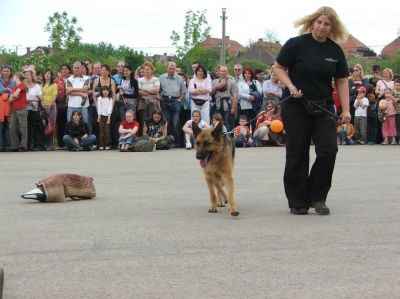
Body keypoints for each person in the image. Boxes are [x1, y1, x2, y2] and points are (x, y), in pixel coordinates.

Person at [273, 6, 351, 215]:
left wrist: (346, 109)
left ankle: (317, 197)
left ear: (332, 28)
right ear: (312, 22)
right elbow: (278, 67)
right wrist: (290, 86)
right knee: (297, 151)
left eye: (327, 24)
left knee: (328, 150)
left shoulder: (335, 51)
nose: (322, 27)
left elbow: (342, 81)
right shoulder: (296, 44)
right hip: (295, 103)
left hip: (323, 105)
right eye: (319, 22)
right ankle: (298, 201)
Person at [159, 62, 186, 144]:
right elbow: (158, 90)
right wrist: (160, 99)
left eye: (173, 68)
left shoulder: (179, 79)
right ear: (167, 68)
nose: (171, 70)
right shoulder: (161, 77)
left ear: (175, 69)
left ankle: (174, 141)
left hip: (175, 101)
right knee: (166, 122)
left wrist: (179, 100)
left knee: (175, 123)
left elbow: (183, 91)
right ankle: (166, 141)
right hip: (165, 100)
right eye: (170, 68)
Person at [210, 66, 238, 132]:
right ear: (219, 72)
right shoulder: (214, 82)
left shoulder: (232, 82)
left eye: (224, 71)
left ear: (227, 72)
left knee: (227, 121)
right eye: (221, 71)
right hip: (217, 103)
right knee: (216, 121)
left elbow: (234, 95)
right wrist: (217, 87)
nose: (223, 73)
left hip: (227, 104)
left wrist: (233, 107)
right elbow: (211, 94)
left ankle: (227, 137)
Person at [24, 67, 45, 151]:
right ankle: (28, 145)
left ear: (32, 76)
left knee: (36, 127)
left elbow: (40, 98)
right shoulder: (22, 86)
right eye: (25, 75)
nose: (26, 77)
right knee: (26, 128)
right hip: (24, 109)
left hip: (34, 109)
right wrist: (33, 98)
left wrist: (29, 100)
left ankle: (38, 146)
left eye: (28, 75)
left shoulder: (37, 86)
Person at [138, 61, 160, 134]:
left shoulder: (156, 79)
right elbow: (139, 92)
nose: (146, 71)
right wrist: (151, 91)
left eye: (148, 69)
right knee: (144, 119)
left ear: (152, 70)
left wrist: (144, 89)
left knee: (153, 118)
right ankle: (144, 136)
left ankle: (153, 135)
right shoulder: (140, 80)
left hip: (153, 102)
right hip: (143, 102)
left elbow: (156, 90)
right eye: (145, 69)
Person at [66, 61, 90, 129]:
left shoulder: (87, 78)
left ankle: (84, 139)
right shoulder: (69, 79)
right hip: (71, 106)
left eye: (78, 68)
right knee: (70, 126)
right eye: (75, 68)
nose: (76, 69)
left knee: (85, 126)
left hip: (83, 106)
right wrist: (80, 93)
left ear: (81, 69)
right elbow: (68, 92)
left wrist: (72, 89)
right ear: (73, 69)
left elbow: (85, 90)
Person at [8, 72, 28, 151]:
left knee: (23, 127)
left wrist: (13, 96)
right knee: (12, 127)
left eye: (14, 76)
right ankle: (15, 145)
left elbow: (15, 95)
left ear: (16, 77)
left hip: (21, 109)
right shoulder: (15, 87)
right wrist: (14, 96)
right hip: (14, 109)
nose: (13, 77)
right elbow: (10, 99)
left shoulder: (22, 85)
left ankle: (23, 145)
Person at [54, 64, 70, 148]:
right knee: (60, 124)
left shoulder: (71, 79)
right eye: (62, 69)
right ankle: (60, 143)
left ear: (69, 70)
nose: (64, 70)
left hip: (70, 103)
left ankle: (68, 142)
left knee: (68, 123)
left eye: (65, 69)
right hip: (60, 104)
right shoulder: (57, 80)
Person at [41, 69, 58, 150]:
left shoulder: (54, 85)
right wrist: (43, 105)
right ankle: (44, 144)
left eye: (49, 73)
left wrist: (49, 106)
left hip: (52, 107)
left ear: (51, 75)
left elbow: (54, 96)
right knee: (44, 125)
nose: (47, 75)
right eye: (46, 73)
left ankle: (50, 145)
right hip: (43, 106)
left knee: (51, 125)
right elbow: (40, 97)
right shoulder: (42, 85)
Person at [0, 64, 15, 151]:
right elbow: (8, 91)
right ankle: (1, 146)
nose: (5, 72)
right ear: (1, 72)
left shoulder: (13, 82)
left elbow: (14, 92)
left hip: (10, 107)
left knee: (8, 127)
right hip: (0, 107)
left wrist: (4, 91)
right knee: (0, 127)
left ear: (10, 72)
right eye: (4, 71)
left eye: (7, 71)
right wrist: (7, 90)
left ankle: (8, 145)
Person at [96, 86, 113, 150]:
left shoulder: (110, 99)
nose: (105, 92)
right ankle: (101, 144)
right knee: (101, 130)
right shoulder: (100, 98)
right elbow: (99, 107)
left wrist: (109, 116)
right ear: (101, 91)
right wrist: (99, 115)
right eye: (104, 90)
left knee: (107, 131)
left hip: (107, 116)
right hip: (101, 116)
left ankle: (107, 144)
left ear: (109, 92)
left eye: (107, 90)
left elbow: (110, 108)